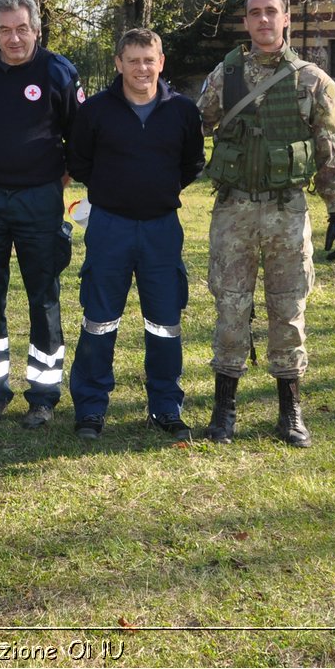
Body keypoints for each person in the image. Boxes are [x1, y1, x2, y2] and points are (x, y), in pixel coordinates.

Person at [198, 0, 335, 447]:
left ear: (285, 19)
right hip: (234, 210)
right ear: (245, 23)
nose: (263, 20)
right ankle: (224, 410)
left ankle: (291, 412)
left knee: (289, 308)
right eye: (254, 14)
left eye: (271, 12)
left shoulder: (313, 82)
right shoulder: (224, 77)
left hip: (288, 211)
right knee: (230, 306)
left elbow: (331, 148)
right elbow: (191, 127)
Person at [65, 28, 205, 442]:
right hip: (110, 226)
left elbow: (192, 164)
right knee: (99, 320)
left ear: (161, 63)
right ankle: (90, 409)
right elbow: (80, 161)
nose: (142, 68)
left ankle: (165, 408)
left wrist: (157, 192)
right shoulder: (95, 111)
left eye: (149, 60)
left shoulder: (181, 110)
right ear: (118, 64)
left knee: (165, 322)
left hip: (162, 228)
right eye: (133, 60)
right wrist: (116, 194)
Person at [0, 0, 82, 429]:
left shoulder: (58, 71)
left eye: (22, 29)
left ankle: (43, 396)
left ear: (37, 30)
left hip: (38, 199)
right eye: (5, 30)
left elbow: (80, 137)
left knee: (43, 297)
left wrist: (57, 178)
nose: (14, 38)